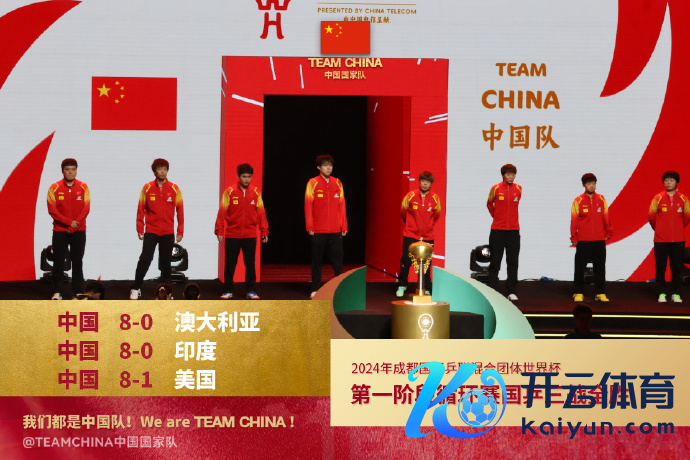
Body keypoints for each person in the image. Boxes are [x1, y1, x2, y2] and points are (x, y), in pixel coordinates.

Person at [129, 159, 184, 300]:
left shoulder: (174, 188)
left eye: (165, 169)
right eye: (160, 169)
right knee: (145, 259)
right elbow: (141, 209)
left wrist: (180, 230)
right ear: (154, 172)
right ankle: (135, 288)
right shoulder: (147, 188)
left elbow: (180, 210)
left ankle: (166, 292)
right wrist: (140, 228)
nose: (162, 172)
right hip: (151, 231)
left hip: (167, 232)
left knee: (166, 262)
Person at [215, 163, 269, 300]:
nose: (247, 179)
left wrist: (264, 231)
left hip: (250, 235)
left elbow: (261, 213)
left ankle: (251, 291)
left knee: (250, 265)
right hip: (232, 235)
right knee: (230, 264)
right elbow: (222, 212)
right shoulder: (229, 192)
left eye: (249, 177)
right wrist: (219, 230)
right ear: (238, 176)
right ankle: (227, 290)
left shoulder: (256, 192)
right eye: (244, 176)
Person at [47, 158, 91, 300]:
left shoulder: (83, 187)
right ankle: (57, 292)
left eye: (73, 169)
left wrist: (73, 227)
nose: (70, 172)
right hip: (60, 231)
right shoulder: (54, 188)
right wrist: (69, 223)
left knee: (77, 261)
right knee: (58, 262)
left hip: (79, 231)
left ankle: (77, 290)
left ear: (76, 170)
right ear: (62, 171)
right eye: (67, 169)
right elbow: (52, 210)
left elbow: (86, 209)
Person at [305, 154, 347, 299]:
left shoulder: (338, 183)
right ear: (319, 167)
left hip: (335, 230)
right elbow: (308, 205)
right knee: (317, 261)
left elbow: (342, 206)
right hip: (318, 230)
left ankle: (339, 289)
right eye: (325, 165)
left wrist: (343, 225)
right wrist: (310, 226)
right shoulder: (312, 183)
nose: (328, 168)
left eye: (330, 165)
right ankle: (315, 288)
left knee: (338, 262)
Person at [396, 171, 442, 297]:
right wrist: (410, 225)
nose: (425, 184)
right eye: (423, 181)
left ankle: (426, 288)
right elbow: (403, 211)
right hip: (410, 234)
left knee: (427, 263)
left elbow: (436, 216)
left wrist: (428, 227)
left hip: (427, 236)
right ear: (419, 182)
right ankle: (402, 285)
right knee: (406, 261)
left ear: (431, 184)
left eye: (428, 182)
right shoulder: (410, 196)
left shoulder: (435, 198)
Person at [648, 170, 690, 303]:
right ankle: (661, 293)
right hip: (660, 240)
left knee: (676, 268)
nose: (668, 182)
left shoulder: (683, 199)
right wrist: (660, 229)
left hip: (678, 239)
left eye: (671, 180)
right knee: (660, 268)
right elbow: (651, 217)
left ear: (676, 182)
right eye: (666, 180)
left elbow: (686, 217)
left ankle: (676, 293)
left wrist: (677, 228)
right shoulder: (658, 198)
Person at [571, 173, 613, 302]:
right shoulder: (578, 200)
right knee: (580, 267)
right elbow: (574, 220)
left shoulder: (601, 199)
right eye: (589, 183)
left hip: (599, 239)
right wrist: (574, 237)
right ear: (583, 185)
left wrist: (608, 232)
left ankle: (600, 293)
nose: (592, 186)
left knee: (600, 267)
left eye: (594, 183)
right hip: (583, 240)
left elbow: (606, 216)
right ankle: (578, 292)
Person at [486, 164, 522, 301]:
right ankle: (492, 290)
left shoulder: (518, 189)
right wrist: (497, 217)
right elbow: (489, 204)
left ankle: (512, 291)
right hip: (497, 230)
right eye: (508, 174)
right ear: (503, 175)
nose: (511, 177)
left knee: (513, 262)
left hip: (513, 231)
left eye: (513, 174)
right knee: (495, 261)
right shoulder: (495, 188)